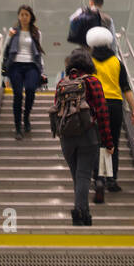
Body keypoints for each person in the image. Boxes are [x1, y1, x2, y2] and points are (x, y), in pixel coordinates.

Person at [51, 49, 113, 226]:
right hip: (88, 135)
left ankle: (83, 212)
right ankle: (80, 213)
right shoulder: (93, 81)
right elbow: (102, 112)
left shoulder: (62, 83)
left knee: (78, 176)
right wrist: (108, 141)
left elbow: (56, 108)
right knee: (84, 175)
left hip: (67, 137)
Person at [87, 26, 134, 192]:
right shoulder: (117, 62)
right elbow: (126, 88)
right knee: (112, 142)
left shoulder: (88, 62)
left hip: (94, 104)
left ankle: (99, 179)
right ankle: (111, 179)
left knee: (97, 142)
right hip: (114, 105)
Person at [3, 4, 46, 141]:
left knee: (31, 90)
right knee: (17, 95)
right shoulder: (13, 31)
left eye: (26, 14)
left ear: (31, 17)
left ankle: (26, 117)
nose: (24, 17)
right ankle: (18, 127)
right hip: (15, 65)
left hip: (31, 65)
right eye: (21, 14)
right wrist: (8, 37)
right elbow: (6, 48)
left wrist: (42, 70)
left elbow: (38, 52)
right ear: (18, 16)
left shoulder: (36, 32)